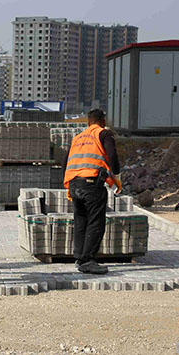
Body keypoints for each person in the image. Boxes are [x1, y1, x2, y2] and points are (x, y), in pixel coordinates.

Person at [63, 109, 122, 275]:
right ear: (102, 121)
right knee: (96, 222)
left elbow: (64, 161)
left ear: (88, 123)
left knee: (81, 220)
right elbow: (112, 155)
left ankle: (80, 257)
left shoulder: (78, 138)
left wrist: (68, 184)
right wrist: (115, 173)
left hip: (74, 184)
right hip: (91, 184)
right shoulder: (104, 134)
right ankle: (87, 260)